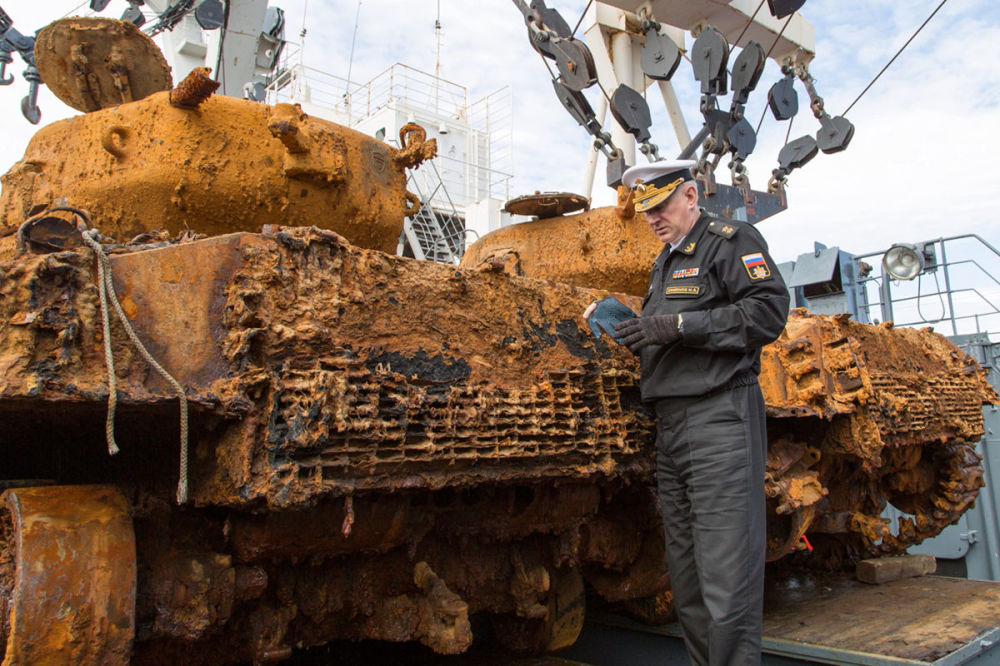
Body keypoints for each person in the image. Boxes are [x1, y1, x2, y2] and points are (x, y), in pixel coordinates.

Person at [586, 160, 789, 665]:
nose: (653, 218)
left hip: (719, 420)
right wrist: (632, 328)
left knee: (727, 583)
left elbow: (767, 313)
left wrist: (677, 325)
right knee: (690, 583)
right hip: (672, 429)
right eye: (646, 210)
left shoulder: (729, 241)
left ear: (692, 196)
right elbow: (672, 336)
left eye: (660, 205)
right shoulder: (665, 263)